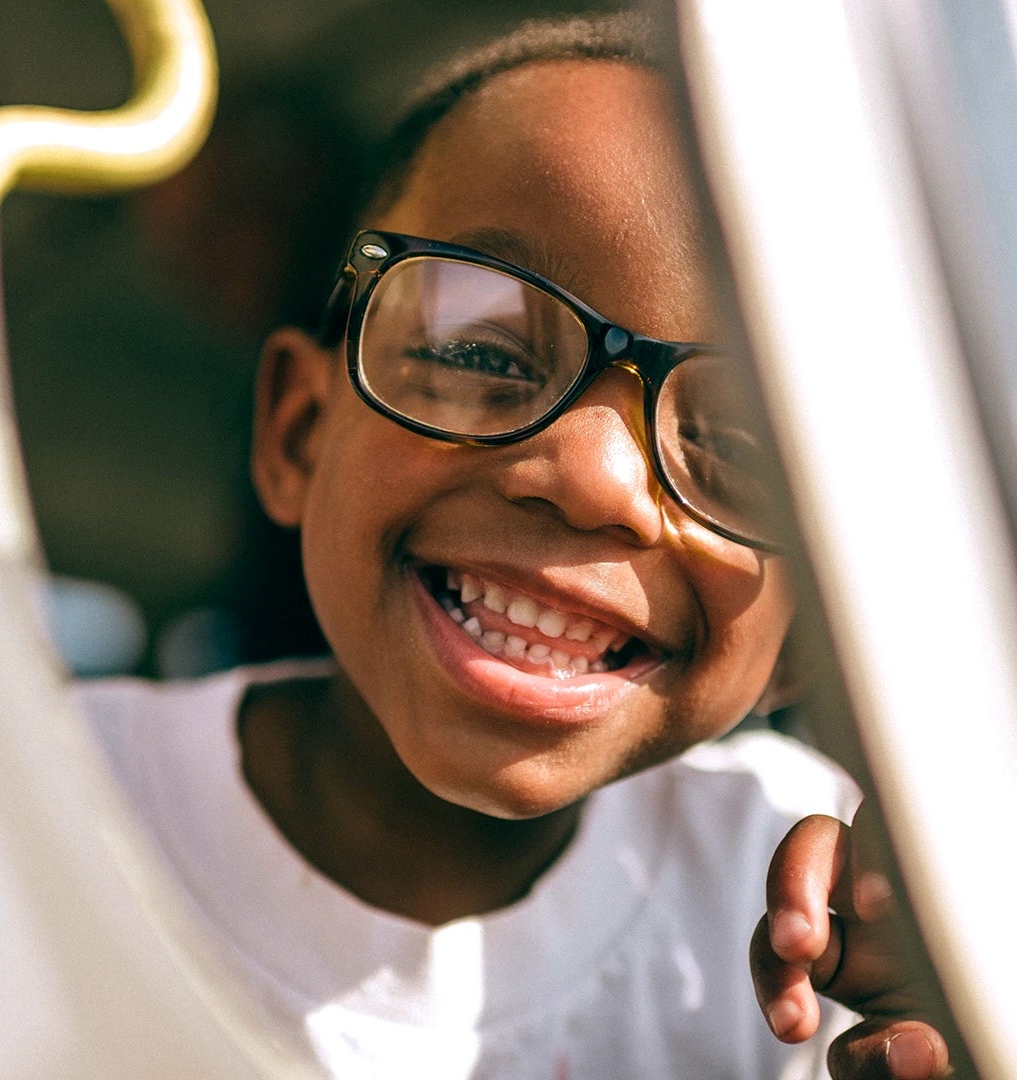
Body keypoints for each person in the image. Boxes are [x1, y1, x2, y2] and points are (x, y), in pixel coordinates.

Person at [77, 13, 949, 1079]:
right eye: (476, 350)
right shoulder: (29, 784)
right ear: (300, 433)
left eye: (736, 441)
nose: (592, 479)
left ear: (818, 623)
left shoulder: (817, 934)